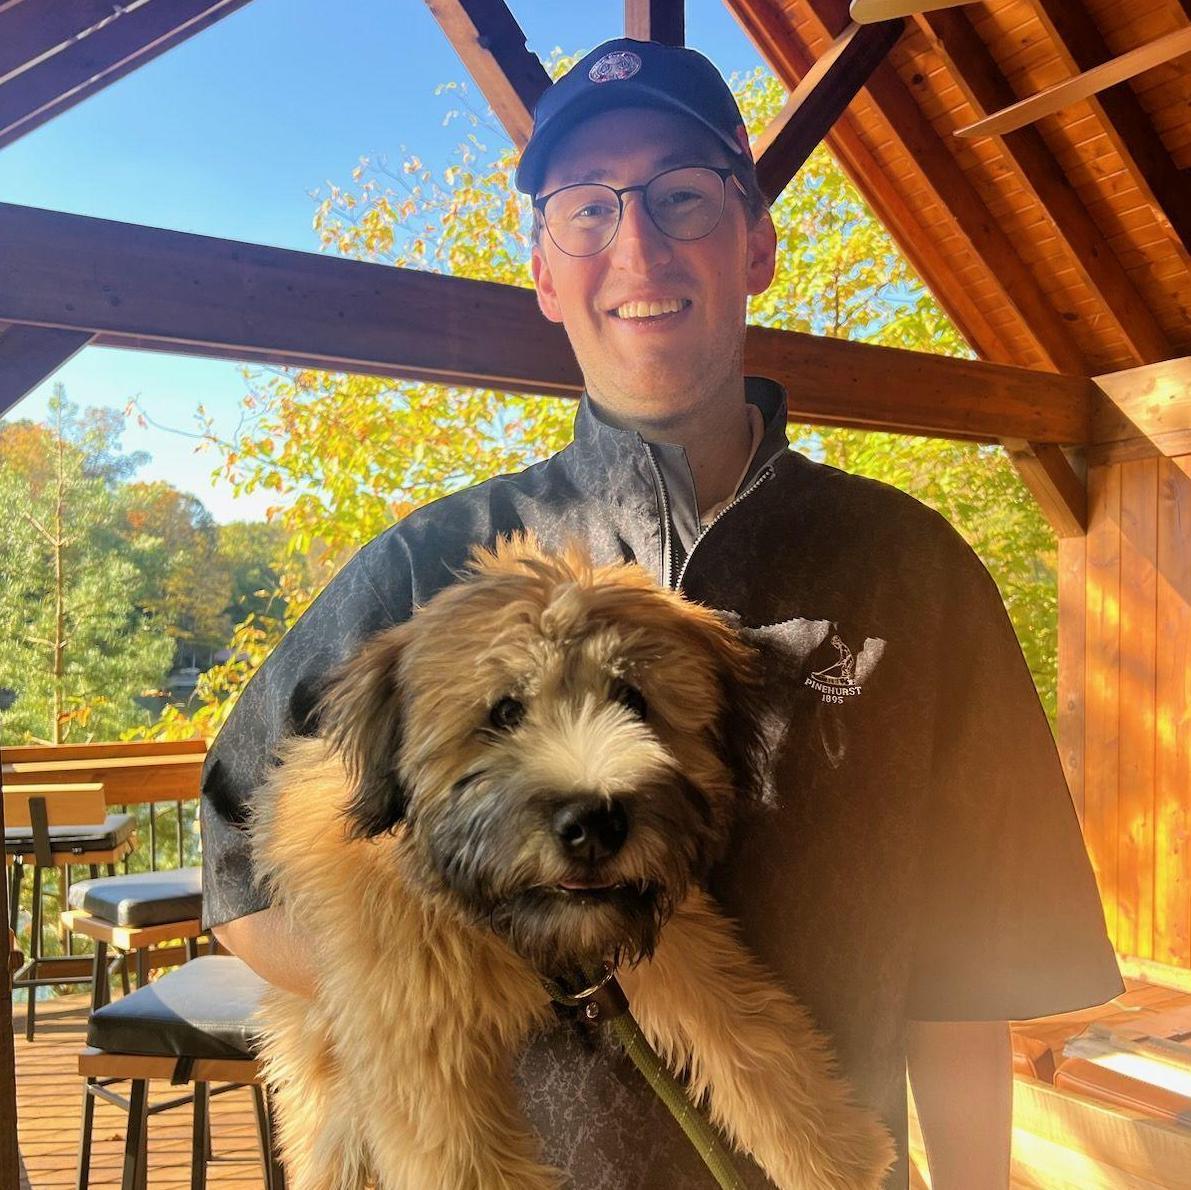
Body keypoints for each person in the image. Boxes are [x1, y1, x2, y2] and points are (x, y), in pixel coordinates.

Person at [201, 38, 1122, 1189]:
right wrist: (479, 964)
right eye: (588, 209)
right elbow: (238, 880)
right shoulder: (421, 571)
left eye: (683, 197)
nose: (638, 244)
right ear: (545, 272)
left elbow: (969, 974)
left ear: (758, 244)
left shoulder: (912, 572)